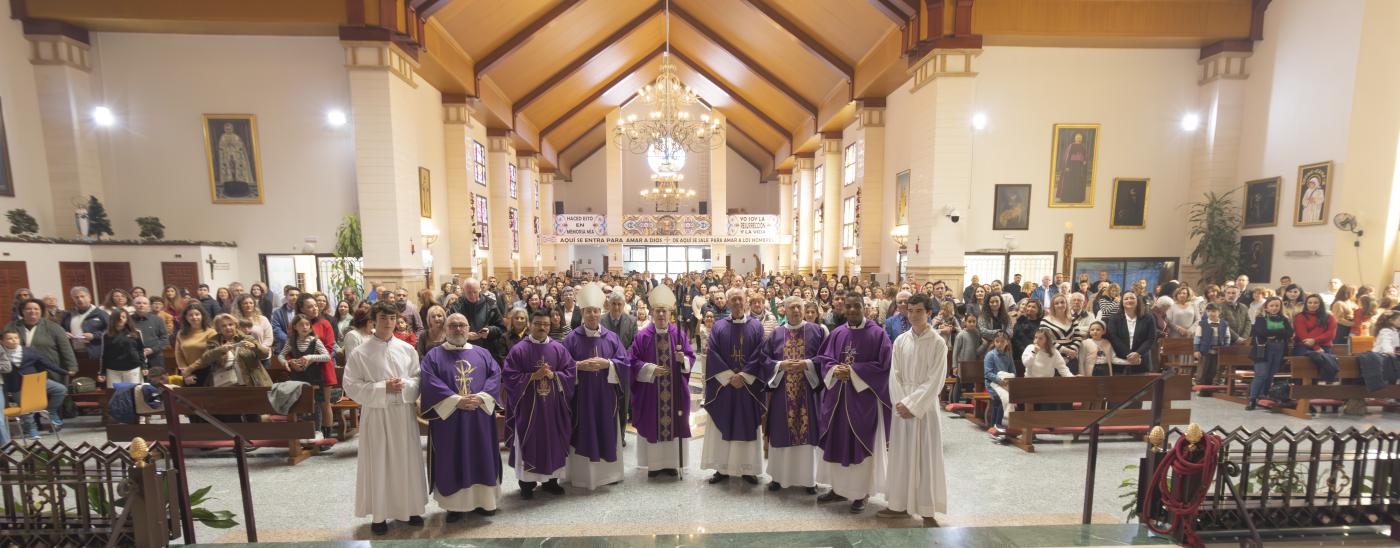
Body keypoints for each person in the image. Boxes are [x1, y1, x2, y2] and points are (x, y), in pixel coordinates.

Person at [344, 301, 427, 535]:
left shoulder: (406, 349)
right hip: (377, 413)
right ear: (373, 320)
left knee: (406, 460)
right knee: (378, 461)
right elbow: (350, 385)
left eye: (392, 318)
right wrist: (382, 388)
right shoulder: (362, 351)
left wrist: (405, 385)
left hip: (402, 413)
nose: (388, 322)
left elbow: (418, 379)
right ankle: (379, 515)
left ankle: (411, 509)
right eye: (383, 318)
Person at [420, 313, 503, 521]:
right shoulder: (434, 355)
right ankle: (455, 507)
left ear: (469, 328)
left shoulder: (483, 353)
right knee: (452, 456)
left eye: (462, 325)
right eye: (453, 325)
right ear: (446, 329)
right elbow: (429, 381)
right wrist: (456, 400)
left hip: (479, 415)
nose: (458, 329)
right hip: (450, 419)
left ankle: (485, 502)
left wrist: (482, 397)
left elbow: (495, 375)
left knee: (482, 454)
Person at [815, 294, 892, 514]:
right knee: (838, 442)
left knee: (860, 445)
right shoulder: (837, 333)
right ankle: (838, 489)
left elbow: (884, 366)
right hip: (839, 399)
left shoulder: (878, 334)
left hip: (863, 401)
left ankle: (861, 493)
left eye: (856, 306)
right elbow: (825, 359)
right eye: (847, 306)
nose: (851, 310)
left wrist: (853, 371)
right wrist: (833, 370)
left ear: (864, 308)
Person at [879, 293, 948, 526]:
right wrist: (901, 404)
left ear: (929, 313)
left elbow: (935, 380)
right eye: (911, 310)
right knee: (901, 457)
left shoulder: (938, 343)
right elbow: (894, 376)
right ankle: (899, 505)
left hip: (924, 409)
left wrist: (913, 405)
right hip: (902, 408)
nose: (914, 315)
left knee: (925, 458)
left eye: (919, 311)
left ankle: (927, 511)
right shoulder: (901, 341)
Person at [503, 308, 576, 499]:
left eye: (546, 324)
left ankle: (551, 481)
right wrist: (531, 377)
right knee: (529, 441)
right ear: (530, 325)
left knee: (553, 441)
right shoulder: (519, 349)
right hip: (528, 409)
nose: (542, 327)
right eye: (538, 324)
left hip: (553, 408)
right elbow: (509, 377)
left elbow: (570, 372)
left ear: (550, 325)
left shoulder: (558, 349)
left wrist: (555, 376)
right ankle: (526, 484)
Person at [560, 283, 628, 490]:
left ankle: (610, 474)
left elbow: (625, 363)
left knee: (607, 430)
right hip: (582, 398)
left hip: (606, 397)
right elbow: (562, 367)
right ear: (582, 313)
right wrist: (578, 366)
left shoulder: (611, 337)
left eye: (596, 311)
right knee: (584, 430)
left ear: (601, 312)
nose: (592, 315)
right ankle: (582, 476)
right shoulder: (571, 339)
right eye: (588, 311)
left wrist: (608, 364)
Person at [701, 288, 767, 485]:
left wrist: (744, 376)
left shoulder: (756, 326)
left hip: (748, 386)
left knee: (747, 423)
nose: (737, 303)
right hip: (725, 387)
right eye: (734, 300)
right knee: (724, 423)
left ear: (746, 302)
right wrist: (730, 377)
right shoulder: (719, 326)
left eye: (740, 299)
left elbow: (760, 353)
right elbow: (712, 353)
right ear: (728, 303)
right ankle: (722, 468)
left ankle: (748, 469)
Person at [761, 296, 826, 494]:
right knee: (782, 432)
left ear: (804, 309)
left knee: (809, 434)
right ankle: (779, 478)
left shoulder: (817, 331)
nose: (796, 311)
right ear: (785, 311)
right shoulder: (777, 334)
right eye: (792, 308)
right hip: (782, 393)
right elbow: (764, 359)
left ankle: (809, 480)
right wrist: (781, 365)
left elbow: (826, 358)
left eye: (799, 307)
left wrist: (807, 364)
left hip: (808, 390)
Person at [629, 284, 695, 477]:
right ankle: (655, 465)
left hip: (675, 390)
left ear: (670, 313)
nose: (661, 315)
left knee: (675, 423)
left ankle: (672, 463)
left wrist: (684, 360)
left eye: (664, 311)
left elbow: (690, 356)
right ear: (652, 313)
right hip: (651, 393)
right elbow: (632, 361)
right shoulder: (642, 336)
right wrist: (649, 369)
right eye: (657, 311)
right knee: (653, 423)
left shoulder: (679, 334)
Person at [5, 299, 76, 437]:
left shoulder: (53, 327)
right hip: (21, 375)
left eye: (36, 309)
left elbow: (65, 348)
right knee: (27, 403)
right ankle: (32, 428)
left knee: (56, 391)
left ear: (41, 311)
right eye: (28, 309)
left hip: (48, 368)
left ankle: (53, 419)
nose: (32, 312)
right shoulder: (12, 327)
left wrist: (71, 366)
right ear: (22, 312)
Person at [196, 314, 272, 389]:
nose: (228, 328)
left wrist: (255, 347)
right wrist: (219, 350)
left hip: (252, 381)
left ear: (235, 325)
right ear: (218, 329)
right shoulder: (213, 341)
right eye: (224, 326)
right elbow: (205, 359)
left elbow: (265, 354)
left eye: (230, 324)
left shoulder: (247, 338)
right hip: (225, 383)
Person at [1248, 297, 1292, 410]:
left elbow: (1289, 333)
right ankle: (1252, 399)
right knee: (1261, 374)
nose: (1274, 308)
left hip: (1279, 348)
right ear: (1266, 307)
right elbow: (1263, 332)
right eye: (1272, 305)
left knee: (1270, 374)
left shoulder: (1284, 318)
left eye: (1277, 306)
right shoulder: (1261, 318)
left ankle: (1264, 396)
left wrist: (1275, 333)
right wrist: (1280, 332)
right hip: (1263, 348)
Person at [451, 279, 508, 364]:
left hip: (487, 349)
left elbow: (502, 328)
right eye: (469, 292)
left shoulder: (491, 304)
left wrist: (490, 330)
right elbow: (450, 330)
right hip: (463, 351)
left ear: (480, 289)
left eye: (475, 292)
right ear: (463, 291)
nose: (472, 295)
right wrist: (464, 335)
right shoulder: (456, 307)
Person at [1105, 292, 1155, 374]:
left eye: (1132, 298)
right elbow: (1113, 338)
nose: (1129, 300)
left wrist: (1138, 353)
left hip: (1141, 361)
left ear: (1137, 301)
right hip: (1121, 361)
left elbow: (1150, 339)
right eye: (1126, 299)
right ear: (1122, 302)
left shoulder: (1148, 318)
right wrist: (1129, 354)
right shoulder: (1114, 318)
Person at [99, 309, 146, 388]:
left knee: (134, 393)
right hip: (113, 370)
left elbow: (140, 351)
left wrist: (144, 366)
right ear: (113, 319)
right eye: (118, 317)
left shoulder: (136, 333)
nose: (121, 319)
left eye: (123, 317)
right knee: (115, 394)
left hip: (133, 369)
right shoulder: (106, 335)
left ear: (127, 318)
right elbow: (104, 355)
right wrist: (102, 372)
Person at [983, 331, 1016, 438]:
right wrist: (999, 380)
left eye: (1002, 342)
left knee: (1011, 397)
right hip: (992, 383)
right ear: (994, 342)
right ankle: (996, 425)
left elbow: (1013, 371)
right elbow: (988, 373)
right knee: (999, 398)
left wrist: (1008, 379)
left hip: (1005, 383)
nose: (999, 344)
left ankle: (1000, 424)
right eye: (997, 341)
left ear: (1007, 342)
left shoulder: (1008, 355)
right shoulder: (990, 355)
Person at [62, 286, 109, 360]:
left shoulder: (101, 313)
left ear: (89, 297)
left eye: (82, 296)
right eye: (76, 297)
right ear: (73, 299)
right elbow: (61, 329)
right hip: (73, 354)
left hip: (95, 354)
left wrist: (94, 336)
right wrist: (64, 333)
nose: (80, 299)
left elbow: (110, 331)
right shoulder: (69, 314)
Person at [174, 306, 215, 386]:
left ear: (202, 316)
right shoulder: (181, 333)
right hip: (187, 373)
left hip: (206, 371)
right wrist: (185, 372)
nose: (194, 317)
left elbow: (209, 355)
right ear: (186, 317)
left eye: (197, 314)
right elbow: (178, 354)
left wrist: (190, 368)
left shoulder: (211, 332)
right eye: (190, 315)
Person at [130, 296, 169, 375]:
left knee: (157, 383)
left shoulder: (157, 320)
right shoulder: (128, 320)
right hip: (135, 358)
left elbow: (164, 339)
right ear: (133, 305)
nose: (141, 305)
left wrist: (152, 350)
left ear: (149, 306)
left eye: (144, 303)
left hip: (155, 357)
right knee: (138, 385)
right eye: (138, 303)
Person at [270, 285, 300, 354]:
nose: (295, 297)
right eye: (291, 295)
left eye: (297, 295)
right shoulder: (277, 312)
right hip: (284, 348)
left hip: (302, 347)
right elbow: (276, 329)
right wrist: (289, 341)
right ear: (286, 296)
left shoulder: (303, 311)